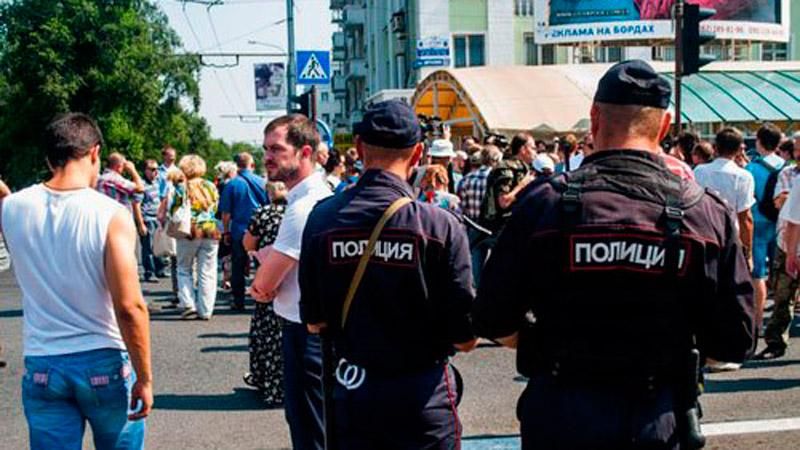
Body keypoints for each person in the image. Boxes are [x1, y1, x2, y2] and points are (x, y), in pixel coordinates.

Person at [473, 60, 755, 450]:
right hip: (657, 417)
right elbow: (735, 341)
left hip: (561, 414)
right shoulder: (704, 212)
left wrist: (544, 342)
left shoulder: (544, 204)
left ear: (594, 118)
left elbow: (492, 316)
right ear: (665, 126)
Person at [299, 99, 477, 449]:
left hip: (355, 392)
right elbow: (465, 338)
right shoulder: (438, 225)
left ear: (360, 148)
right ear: (418, 153)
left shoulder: (322, 220)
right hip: (423, 396)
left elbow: (314, 322)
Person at [0, 113, 152, 449]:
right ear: (95, 152)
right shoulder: (111, 214)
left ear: (48, 157)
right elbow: (129, 306)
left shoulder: (11, 209)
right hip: (103, 358)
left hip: (42, 362)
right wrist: (145, 378)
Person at [249, 114, 332, 450]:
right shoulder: (313, 196)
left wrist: (265, 260)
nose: (267, 157)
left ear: (305, 152)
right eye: (265, 149)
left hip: (303, 331)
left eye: (277, 149)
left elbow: (263, 288)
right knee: (317, 424)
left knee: (308, 429)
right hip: (310, 327)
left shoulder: (302, 208)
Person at [242, 181, 289, 405]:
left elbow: (248, 243)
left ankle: (265, 379)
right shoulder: (299, 211)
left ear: (270, 193)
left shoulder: (263, 213)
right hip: (293, 276)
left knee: (266, 330)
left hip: (269, 272)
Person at [694, 128, 756, 282]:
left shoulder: (699, 171)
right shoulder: (744, 177)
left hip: (701, 233)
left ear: (715, 147)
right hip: (730, 238)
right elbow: (745, 218)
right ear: (738, 150)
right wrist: (747, 253)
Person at [169, 155, 221, 320]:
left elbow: (174, 210)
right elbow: (216, 207)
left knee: (184, 268)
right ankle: (206, 310)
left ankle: (188, 303)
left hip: (189, 231)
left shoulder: (182, 188)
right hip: (211, 231)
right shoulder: (211, 186)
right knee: (208, 271)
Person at [745, 123, 785, 336]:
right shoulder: (785, 166)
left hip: (757, 222)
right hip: (779, 223)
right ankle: (777, 321)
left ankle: (758, 321)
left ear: (759, 141)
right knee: (779, 273)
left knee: (758, 273)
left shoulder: (751, 168)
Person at [219, 152, 268, 311]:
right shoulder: (262, 182)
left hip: (239, 230)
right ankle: (263, 297)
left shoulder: (232, 184)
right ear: (252, 165)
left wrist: (226, 232)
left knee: (238, 266)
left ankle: (238, 300)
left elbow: (226, 213)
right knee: (262, 264)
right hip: (260, 229)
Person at [479, 132, 535, 234]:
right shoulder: (506, 168)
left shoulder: (524, 168)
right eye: (533, 148)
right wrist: (522, 185)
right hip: (500, 230)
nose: (535, 152)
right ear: (523, 149)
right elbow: (504, 202)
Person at [135, 159, 167, 283]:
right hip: (147, 219)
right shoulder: (141, 185)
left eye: (157, 169)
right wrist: (140, 223)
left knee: (158, 246)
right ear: (145, 171)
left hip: (157, 218)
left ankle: (160, 269)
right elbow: (136, 205)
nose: (155, 172)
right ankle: (149, 271)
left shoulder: (157, 183)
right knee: (148, 247)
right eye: (152, 169)